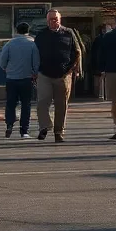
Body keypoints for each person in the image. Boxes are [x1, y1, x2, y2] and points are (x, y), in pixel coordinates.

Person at [33, 8, 81, 142]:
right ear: (47, 21)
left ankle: (59, 132)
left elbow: (77, 52)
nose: (53, 21)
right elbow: (35, 53)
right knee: (43, 102)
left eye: (56, 19)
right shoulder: (41, 35)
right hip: (44, 74)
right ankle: (45, 126)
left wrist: (71, 69)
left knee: (61, 105)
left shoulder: (69, 33)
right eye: (50, 19)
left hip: (63, 75)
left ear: (60, 20)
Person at [0, 21, 40, 139]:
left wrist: (7, 69)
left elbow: (2, 61)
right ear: (28, 31)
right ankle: (24, 131)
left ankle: (9, 125)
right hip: (27, 78)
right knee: (26, 105)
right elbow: (36, 62)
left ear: (16, 31)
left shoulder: (9, 44)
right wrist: (35, 73)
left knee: (11, 103)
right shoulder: (32, 44)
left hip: (11, 78)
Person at [91, 24, 109, 101]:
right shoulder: (100, 39)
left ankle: (102, 94)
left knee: (101, 79)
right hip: (101, 61)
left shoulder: (99, 39)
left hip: (102, 61)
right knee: (101, 79)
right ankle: (102, 94)